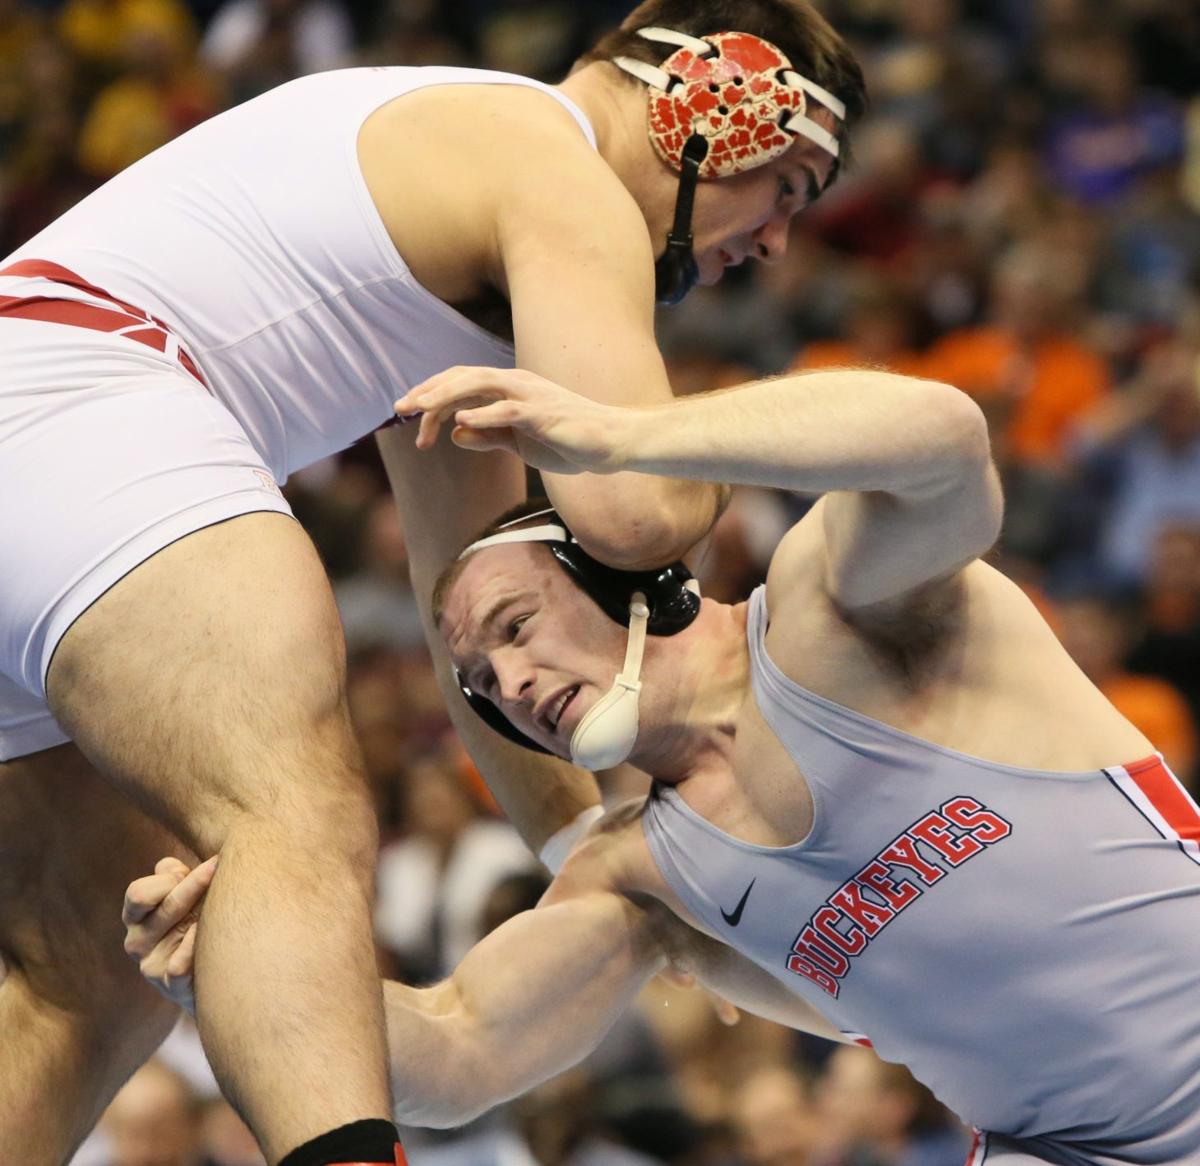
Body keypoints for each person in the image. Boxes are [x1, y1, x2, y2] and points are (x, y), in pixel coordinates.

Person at [0, 0, 866, 1160]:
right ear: (717, 100)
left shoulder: (466, 213)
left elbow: (477, 614)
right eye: (788, 188)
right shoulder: (554, 167)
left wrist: (597, 850)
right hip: (80, 401)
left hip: (42, 429)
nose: (775, 245)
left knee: (84, 980)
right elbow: (633, 513)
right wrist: (779, 428)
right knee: (288, 807)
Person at [132, 361, 1200, 1166]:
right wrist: (238, 972)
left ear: (621, 576)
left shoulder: (834, 619)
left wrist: (622, 440)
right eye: (481, 680)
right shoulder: (641, 872)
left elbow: (945, 438)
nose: (512, 682)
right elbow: (460, 1054)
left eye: (516, 625)